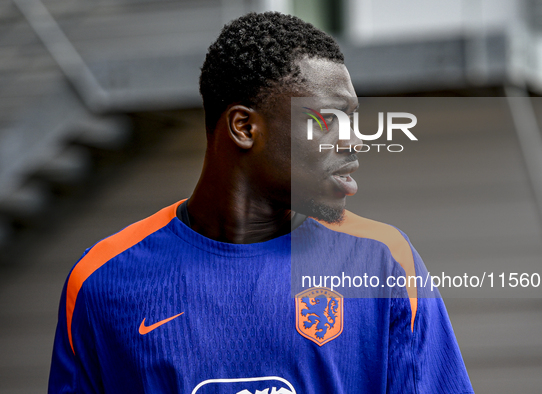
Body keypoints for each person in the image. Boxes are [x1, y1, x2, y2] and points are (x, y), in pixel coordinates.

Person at [49, 12, 473, 393]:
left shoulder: (383, 263)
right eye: (328, 119)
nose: (354, 139)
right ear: (244, 127)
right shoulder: (102, 281)